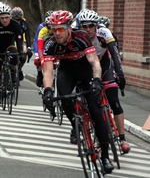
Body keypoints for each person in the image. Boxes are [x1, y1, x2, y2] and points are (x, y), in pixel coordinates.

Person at [42, 10, 114, 173]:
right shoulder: (50, 43)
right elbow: (47, 71)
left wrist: (96, 80)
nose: (57, 33)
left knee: (96, 113)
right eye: (54, 29)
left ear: (69, 28)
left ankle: (105, 157)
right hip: (66, 72)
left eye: (60, 29)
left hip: (86, 70)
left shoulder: (81, 37)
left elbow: (94, 62)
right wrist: (47, 91)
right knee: (65, 99)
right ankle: (75, 123)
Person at [78, 9, 130, 154]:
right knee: (93, 106)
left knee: (114, 100)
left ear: (96, 25)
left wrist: (120, 74)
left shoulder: (104, 33)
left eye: (90, 26)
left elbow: (115, 53)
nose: (87, 29)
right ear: (80, 26)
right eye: (84, 26)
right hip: (88, 69)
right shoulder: (78, 36)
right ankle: (100, 138)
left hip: (105, 66)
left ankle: (122, 139)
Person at [0, 3, 23, 83]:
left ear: (10, 16)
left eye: (6, 17)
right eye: (2, 18)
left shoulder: (15, 25)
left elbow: (19, 39)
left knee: (14, 56)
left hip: (10, 44)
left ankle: (13, 73)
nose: (4, 20)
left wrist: (20, 51)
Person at [11, 7, 33, 81]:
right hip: (11, 39)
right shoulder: (9, 22)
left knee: (23, 55)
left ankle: (20, 68)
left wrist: (29, 48)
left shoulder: (24, 23)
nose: (17, 21)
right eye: (14, 19)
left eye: (18, 19)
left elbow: (27, 36)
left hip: (20, 39)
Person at [34, 10, 53, 87]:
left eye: (53, 27)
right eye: (49, 27)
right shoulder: (42, 28)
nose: (51, 30)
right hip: (44, 46)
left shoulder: (58, 30)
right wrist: (37, 56)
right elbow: (37, 42)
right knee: (38, 61)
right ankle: (40, 74)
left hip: (53, 47)